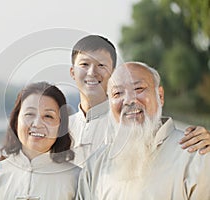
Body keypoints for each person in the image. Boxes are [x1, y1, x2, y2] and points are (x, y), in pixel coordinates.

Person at [0, 35, 210, 176]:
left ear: (113, 73)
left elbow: (170, 140)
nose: (92, 72)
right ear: (72, 72)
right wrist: (3, 164)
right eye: (84, 64)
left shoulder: (132, 120)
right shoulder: (60, 126)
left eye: (101, 65)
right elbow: (33, 161)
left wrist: (203, 137)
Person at [76, 62, 210, 199]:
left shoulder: (196, 156)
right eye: (117, 93)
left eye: (138, 88)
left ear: (160, 96)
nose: (128, 100)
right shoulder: (95, 166)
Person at [0, 82, 80, 200]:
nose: (37, 124)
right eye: (29, 114)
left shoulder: (77, 179)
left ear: (61, 126)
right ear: (16, 121)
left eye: (48, 116)